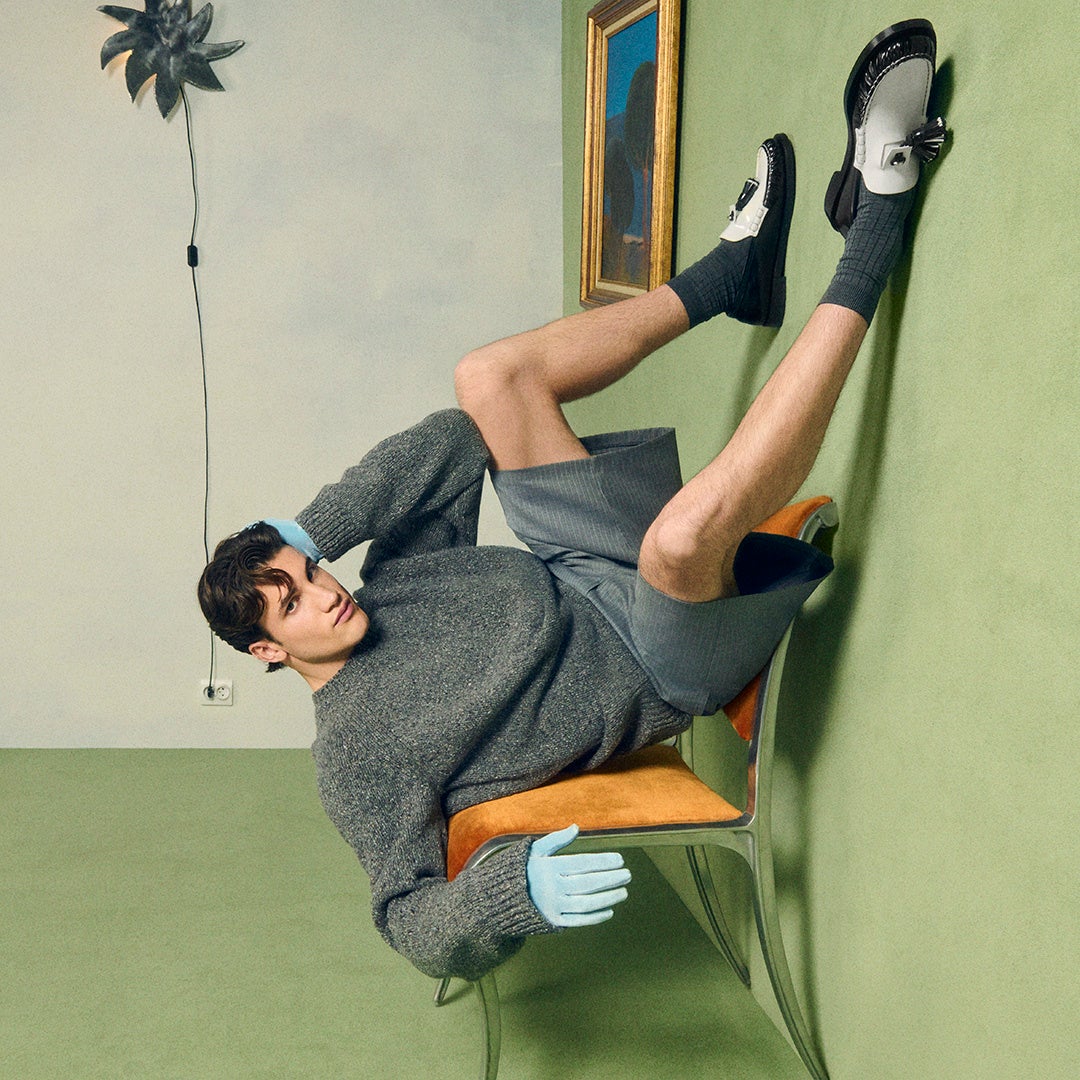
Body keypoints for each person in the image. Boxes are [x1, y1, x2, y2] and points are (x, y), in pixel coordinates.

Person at [197, 21, 946, 982]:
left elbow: (455, 439)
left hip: (579, 566)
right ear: (267, 651)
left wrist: (314, 526)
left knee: (486, 378)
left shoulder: (390, 585)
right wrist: (510, 898)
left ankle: (731, 277)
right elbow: (406, 914)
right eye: (292, 603)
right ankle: (878, 218)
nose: (326, 592)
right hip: (656, 663)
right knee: (679, 541)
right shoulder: (355, 755)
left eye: (308, 572)